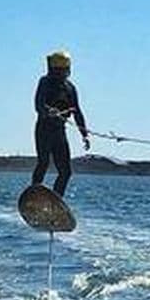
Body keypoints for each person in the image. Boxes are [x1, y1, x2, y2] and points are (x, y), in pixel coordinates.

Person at [31, 50, 90, 197]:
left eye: (61, 71)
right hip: (44, 128)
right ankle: (34, 194)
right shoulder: (44, 82)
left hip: (59, 131)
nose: (58, 74)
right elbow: (38, 104)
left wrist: (84, 134)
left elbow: (77, 112)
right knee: (43, 162)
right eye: (55, 71)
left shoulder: (70, 88)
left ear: (67, 70)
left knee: (66, 172)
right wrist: (48, 111)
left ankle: (55, 201)